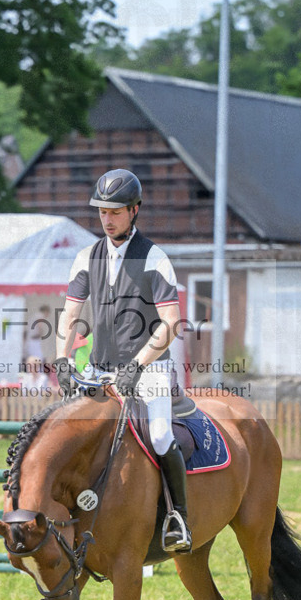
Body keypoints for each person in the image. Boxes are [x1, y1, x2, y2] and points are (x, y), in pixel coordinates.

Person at [55, 169, 192, 553]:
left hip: (148, 369)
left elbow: (170, 322)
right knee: (66, 429)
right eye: (102, 211)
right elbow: (69, 315)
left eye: (115, 211)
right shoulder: (86, 257)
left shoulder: (155, 258)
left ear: (134, 210)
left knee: (161, 434)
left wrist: (139, 364)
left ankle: (178, 517)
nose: (107, 219)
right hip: (97, 368)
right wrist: (62, 361)